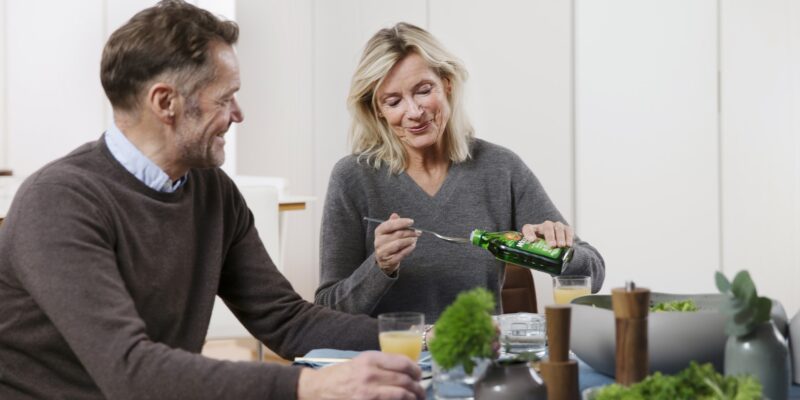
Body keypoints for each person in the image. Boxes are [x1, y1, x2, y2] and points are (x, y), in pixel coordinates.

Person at [0, 2, 423, 399]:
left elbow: (286, 320)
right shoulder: (58, 202)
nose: (238, 114)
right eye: (225, 98)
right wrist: (308, 386)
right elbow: (129, 370)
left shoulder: (212, 191)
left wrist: (426, 338)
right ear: (166, 102)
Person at [315, 22, 605, 323]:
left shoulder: (500, 169)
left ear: (447, 84)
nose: (414, 112)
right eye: (394, 101)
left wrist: (560, 253)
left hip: (479, 359)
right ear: (377, 110)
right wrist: (379, 267)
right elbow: (326, 312)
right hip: (389, 364)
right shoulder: (352, 178)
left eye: (424, 91)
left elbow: (593, 273)